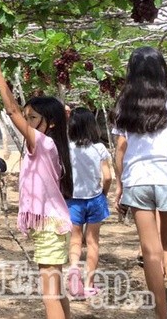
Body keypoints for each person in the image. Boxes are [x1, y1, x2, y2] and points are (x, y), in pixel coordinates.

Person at [111, 46, 167, 319]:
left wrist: (120, 184)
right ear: (162, 70)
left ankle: (161, 314)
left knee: (150, 251)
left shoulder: (124, 103)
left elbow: (120, 150)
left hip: (138, 180)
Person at [0, 51, 73, 319]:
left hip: (49, 227)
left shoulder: (43, 144)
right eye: (28, 117)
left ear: (51, 123)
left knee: (50, 296)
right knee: (56, 291)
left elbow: (11, 110)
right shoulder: (48, 146)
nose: (28, 122)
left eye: (33, 118)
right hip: (52, 226)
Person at [65, 107, 112, 299]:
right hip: (95, 199)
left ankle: (74, 267)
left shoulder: (66, 148)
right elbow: (107, 177)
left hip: (73, 200)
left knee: (75, 240)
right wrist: (103, 194)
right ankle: (88, 284)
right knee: (93, 243)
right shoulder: (99, 148)